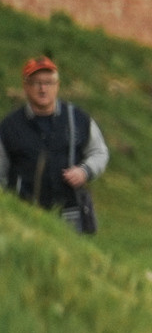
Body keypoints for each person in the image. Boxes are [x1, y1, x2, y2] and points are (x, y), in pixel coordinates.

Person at [2, 56, 110, 235]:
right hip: (25, 215)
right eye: (36, 83)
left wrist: (85, 171)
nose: (43, 89)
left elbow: (99, 152)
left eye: (48, 82)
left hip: (71, 214)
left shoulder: (78, 119)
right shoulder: (9, 127)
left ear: (57, 85)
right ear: (26, 86)